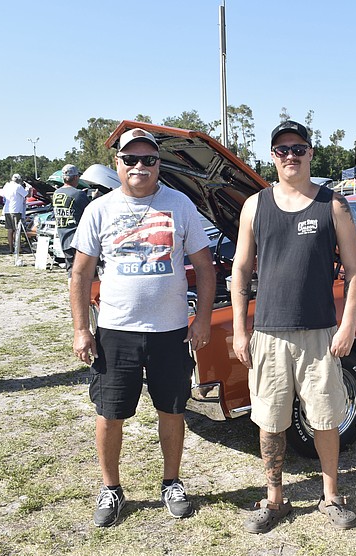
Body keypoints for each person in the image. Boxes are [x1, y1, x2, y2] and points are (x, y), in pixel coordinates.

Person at [70, 127, 216, 528]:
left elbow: (204, 267)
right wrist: (83, 329)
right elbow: (81, 274)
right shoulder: (99, 210)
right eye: (130, 159)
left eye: (148, 160)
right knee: (110, 413)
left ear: (158, 164)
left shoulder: (180, 204)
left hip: (170, 331)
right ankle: (111, 488)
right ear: (116, 163)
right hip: (116, 330)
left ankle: (172, 482)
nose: (139, 166)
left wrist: (201, 318)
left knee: (172, 409)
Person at [231, 120, 356, 533]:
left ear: (310, 153)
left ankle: (331, 497)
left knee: (325, 418)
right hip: (269, 333)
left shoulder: (333, 205)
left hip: (319, 333)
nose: (291, 155)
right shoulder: (255, 206)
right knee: (270, 420)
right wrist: (240, 328)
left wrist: (347, 327)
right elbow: (239, 269)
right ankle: (274, 500)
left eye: (299, 148)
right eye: (282, 149)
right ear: (273, 156)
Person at [52, 164, 91, 279]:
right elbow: (90, 210)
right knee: (83, 270)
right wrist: (92, 197)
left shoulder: (56, 193)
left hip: (63, 235)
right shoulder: (78, 194)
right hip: (77, 237)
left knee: (70, 268)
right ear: (75, 177)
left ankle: (71, 294)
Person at [1, 173, 28, 253]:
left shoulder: (7, 186)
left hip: (7, 210)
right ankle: (18, 248)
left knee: (9, 230)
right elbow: (27, 195)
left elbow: (2, 194)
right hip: (16, 210)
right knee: (17, 230)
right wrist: (28, 188)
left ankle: (10, 248)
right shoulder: (18, 187)